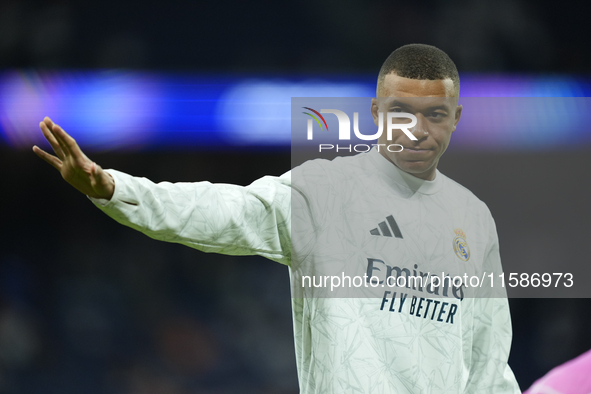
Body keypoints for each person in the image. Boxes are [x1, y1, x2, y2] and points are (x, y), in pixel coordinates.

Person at [33, 44, 521, 393]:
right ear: (376, 112)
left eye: (435, 114)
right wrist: (117, 188)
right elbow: (224, 210)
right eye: (402, 112)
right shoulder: (325, 192)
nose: (417, 130)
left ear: (456, 117)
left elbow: (488, 361)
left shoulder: (473, 219)